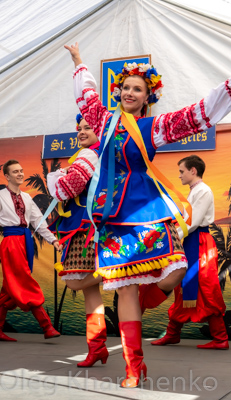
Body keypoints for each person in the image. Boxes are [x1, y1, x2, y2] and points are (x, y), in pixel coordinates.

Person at [65, 41, 231, 388]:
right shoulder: (104, 120)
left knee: (172, 275)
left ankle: (162, 305)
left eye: (137, 89)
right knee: (124, 291)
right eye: (125, 87)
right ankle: (133, 366)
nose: (129, 92)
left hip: (145, 210)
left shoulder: (152, 127)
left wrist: (229, 88)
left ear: (146, 97)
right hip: (112, 215)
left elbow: (193, 116)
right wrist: (79, 59)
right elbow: (86, 97)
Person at [47, 114, 109, 367]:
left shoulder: (89, 155)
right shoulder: (94, 155)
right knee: (88, 290)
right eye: (79, 128)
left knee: (74, 282)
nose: (81, 132)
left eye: (87, 128)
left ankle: (115, 271)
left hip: (86, 227)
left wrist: (55, 178)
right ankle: (97, 348)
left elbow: (64, 189)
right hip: (84, 225)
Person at [151, 155, 229, 349]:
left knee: (206, 286)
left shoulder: (202, 190)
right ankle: (173, 334)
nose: (179, 176)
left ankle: (220, 339)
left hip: (199, 242)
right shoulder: (196, 190)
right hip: (192, 241)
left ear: (193, 170)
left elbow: (192, 223)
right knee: (183, 287)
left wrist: (172, 236)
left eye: (181, 171)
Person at [0, 160, 62, 341]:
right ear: (6, 176)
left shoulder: (27, 197)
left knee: (9, 288)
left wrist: (54, 240)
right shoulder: (1, 196)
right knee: (24, 280)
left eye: (21, 170)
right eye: (15, 171)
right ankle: (47, 326)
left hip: (24, 241)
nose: (20, 174)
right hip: (10, 242)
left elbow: (39, 223)